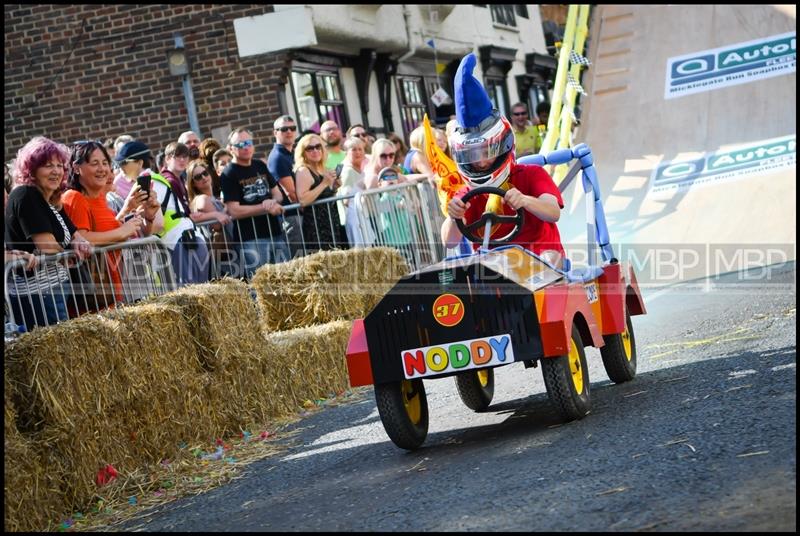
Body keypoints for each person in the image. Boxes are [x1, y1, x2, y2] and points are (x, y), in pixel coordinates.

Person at [441, 53, 565, 269]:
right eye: (471, 154)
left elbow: (553, 212)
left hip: (541, 261)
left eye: (485, 151)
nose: (479, 162)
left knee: (548, 262)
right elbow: (449, 242)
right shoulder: (467, 193)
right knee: (463, 279)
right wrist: (453, 216)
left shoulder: (531, 174)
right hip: (496, 271)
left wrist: (526, 200)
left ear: (501, 144)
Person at [5, 137, 93, 331]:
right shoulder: (26, 195)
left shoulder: (50, 198)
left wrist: (78, 242)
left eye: (60, 165)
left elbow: (72, 232)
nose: (56, 171)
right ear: (31, 169)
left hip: (54, 288)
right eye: (47, 165)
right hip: (39, 293)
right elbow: (48, 246)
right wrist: (68, 253)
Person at [62, 141, 160, 311]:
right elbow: (81, 238)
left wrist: (148, 217)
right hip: (91, 297)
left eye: (105, 163)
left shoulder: (101, 198)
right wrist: (122, 231)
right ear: (77, 168)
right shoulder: (74, 197)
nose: (102, 169)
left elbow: (111, 232)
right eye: (94, 163)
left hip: (112, 291)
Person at [115, 140, 209, 286]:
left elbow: (158, 224)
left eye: (123, 163)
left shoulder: (149, 184)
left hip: (184, 244)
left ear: (139, 163)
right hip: (188, 241)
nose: (120, 168)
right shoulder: (154, 179)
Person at [220, 127, 288, 278]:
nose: (246, 147)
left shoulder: (260, 165)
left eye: (249, 142)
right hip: (250, 238)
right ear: (231, 149)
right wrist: (264, 207)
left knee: (286, 279)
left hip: (274, 231)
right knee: (261, 284)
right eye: (241, 144)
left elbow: (278, 194)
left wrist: (271, 202)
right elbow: (234, 211)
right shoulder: (228, 173)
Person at [293, 133, 342, 253]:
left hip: (330, 223)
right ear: (303, 152)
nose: (315, 150)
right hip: (316, 227)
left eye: (318, 146)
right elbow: (303, 200)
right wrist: (325, 183)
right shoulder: (303, 170)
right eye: (310, 148)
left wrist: (334, 187)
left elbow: (321, 195)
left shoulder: (321, 169)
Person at [186, 159, 233, 278]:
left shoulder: (213, 198)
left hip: (225, 252)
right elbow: (216, 225)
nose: (203, 177)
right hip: (220, 253)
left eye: (205, 173)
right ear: (193, 183)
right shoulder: (202, 199)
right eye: (197, 177)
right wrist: (219, 213)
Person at [267, 115, 303, 254]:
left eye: (292, 128)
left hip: (298, 214)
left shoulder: (293, 153)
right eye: (284, 129)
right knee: (301, 261)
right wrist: (308, 209)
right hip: (292, 216)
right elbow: (291, 193)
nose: (289, 132)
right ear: (275, 133)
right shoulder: (277, 157)